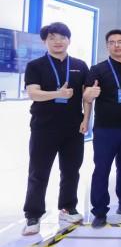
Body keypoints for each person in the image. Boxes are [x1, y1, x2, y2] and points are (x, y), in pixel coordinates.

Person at [22, 22, 90, 235]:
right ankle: (33, 215)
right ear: (45, 41)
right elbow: (33, 93)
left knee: (71, 171)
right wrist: (57, 94)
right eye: (52, 38)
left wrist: (86, 119)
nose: (57, 41)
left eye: (62, 37)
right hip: (44, 127)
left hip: (73, 128)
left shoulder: (80, 65)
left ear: (69, 40)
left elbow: (86, 96)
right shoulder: (35, 65)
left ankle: (68, 208)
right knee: (38, 172)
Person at [84, 29, 121, 229]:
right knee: (102, 169)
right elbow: (87, 97)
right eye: (112, 42)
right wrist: (89, 98)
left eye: (120, 41)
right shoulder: (98, 69)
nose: (116, 45)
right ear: (107, 45)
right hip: (105, 129)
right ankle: (99, 211)